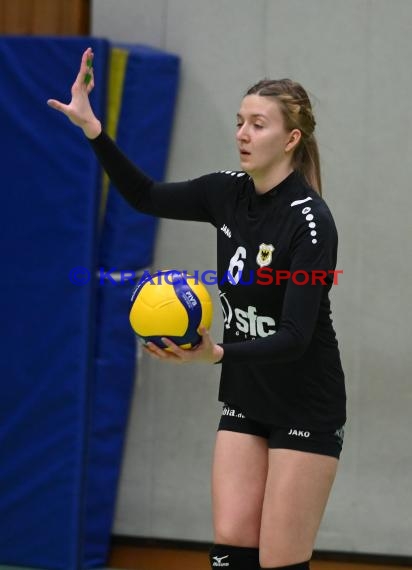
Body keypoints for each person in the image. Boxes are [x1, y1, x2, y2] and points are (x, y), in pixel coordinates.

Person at [48, 47, 346, 570]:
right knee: (230, 552)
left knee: (279, 560)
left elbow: (298, 335)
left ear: (292, 139)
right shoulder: (226, 193)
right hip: (246, 396)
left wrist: (217, 353)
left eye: (257, 124)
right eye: (239, 122)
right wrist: (93, 128)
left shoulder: (310, 223)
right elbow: (143, 195)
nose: (242, 134)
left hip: (306, 403)